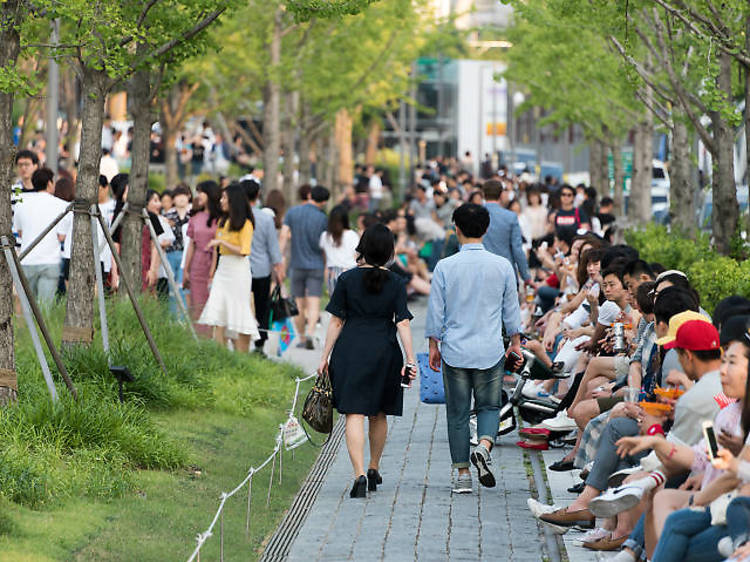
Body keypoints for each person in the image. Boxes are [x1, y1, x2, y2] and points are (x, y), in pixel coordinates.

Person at [425, 203, 522, 494]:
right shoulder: (502, 266)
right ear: (487, 229)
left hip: (455, 350)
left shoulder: (445, 267)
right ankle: (484, 445)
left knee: (456, 413)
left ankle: (463, 475)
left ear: (456, 229)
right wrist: (515, 343)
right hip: (490, 350)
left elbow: (435, 312)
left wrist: (433, 344)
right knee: (489, 406)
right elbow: (511, 311)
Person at [317, 224, 417, 498]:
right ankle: (374, 467)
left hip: (350, 350)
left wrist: (324, 357)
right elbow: (403, 323)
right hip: (384, 351)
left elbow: (336, 321)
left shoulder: (347, 280)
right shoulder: (396, 282)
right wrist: (410, 359)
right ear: (388, 252)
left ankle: (359, 473)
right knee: (379, 413)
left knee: (354, 413)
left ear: (363, 248)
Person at [198, 183, 259, 351]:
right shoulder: (222, 222)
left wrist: (222, 242)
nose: (221, 200)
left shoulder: (246, 224)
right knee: (218, 309)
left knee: (238, 310)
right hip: (223, 268)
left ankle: (241, 353)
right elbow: (219, 250)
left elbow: (244, 251)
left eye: (225, 197)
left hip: (238, 270)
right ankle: (220, 352)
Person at [280, 185, 330, 350]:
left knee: (299, 304)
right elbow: (325, 245)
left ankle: (301, 337)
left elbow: (283, 235)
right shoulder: (322, 218)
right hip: (316, 264)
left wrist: (280, 258)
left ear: (310, 196)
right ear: (323, 201)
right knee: (314, 302)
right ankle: (310, 332)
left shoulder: (293, 212)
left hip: (297, 265)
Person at [13, 167, 68, 303]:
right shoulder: (61, 205)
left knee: (28, 308)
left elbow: (20, 232)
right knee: (45, 309)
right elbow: (61, 236)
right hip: (50, 262)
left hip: (27, 260)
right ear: (50, 183)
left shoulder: (21, 203)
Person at [242, 179, 284, 354]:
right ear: (258, 195)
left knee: (242, 304)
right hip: (262, 270)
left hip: (241, 269)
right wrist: (279, 270)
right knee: (262, 307)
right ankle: (260, 345)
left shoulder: (237, 217)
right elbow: (273, 248)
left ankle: (240, 340)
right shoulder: (266, 218)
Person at [184, 181, 221, 328]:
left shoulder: (221, 218)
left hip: (215, 263)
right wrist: (186, 269)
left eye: (202, 192)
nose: (198, 196)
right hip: (197, 264)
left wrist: (212, 270)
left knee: (213, 304)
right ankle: (199, 341)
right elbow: (191, 245)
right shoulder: (195, 217)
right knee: (197, 304)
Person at [481, 180, 533, 287]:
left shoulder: (474, 215)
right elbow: (517, 249)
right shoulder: (510, 217)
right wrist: (526, 277)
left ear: (483, 194)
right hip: (504, 271)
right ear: (501, 194)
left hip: (480, 272)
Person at [320, 205, 359, 295]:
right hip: (350, 272)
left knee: (336, 306)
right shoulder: (352, 235)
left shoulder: (325, 235)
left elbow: (325, 260)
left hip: (332, 273)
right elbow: (356, 256)